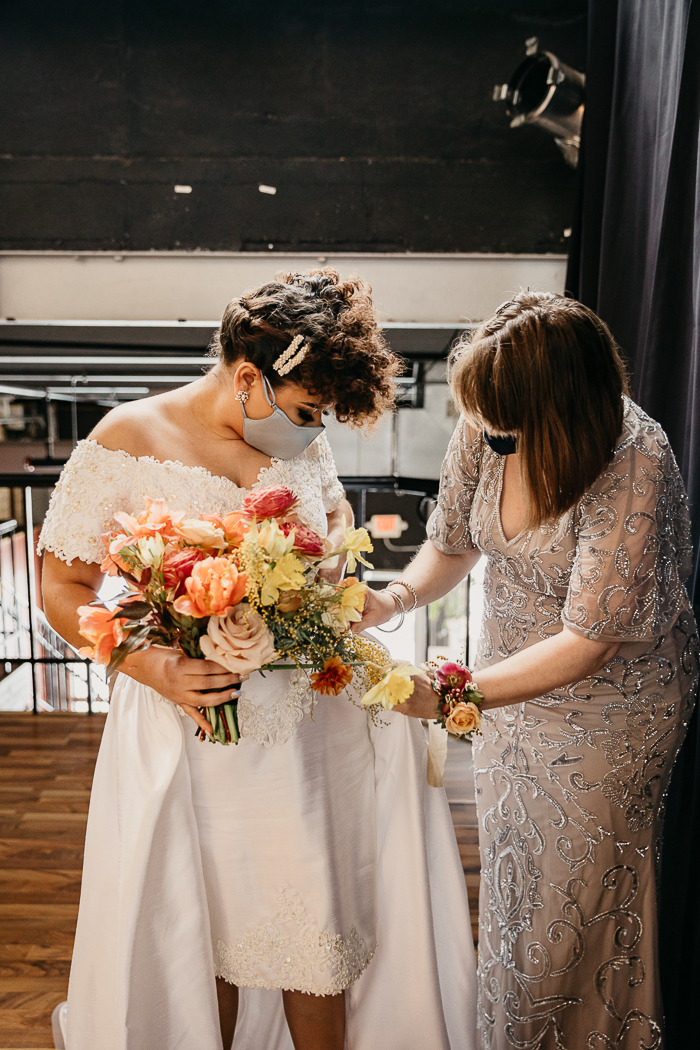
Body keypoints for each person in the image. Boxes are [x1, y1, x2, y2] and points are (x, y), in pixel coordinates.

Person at [40, 269, 476, 1050]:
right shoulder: (124, 438)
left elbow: (333, 529)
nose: (315, 433)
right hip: (192, 726)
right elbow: (62, 587)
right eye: (310, 413)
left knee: (317, 935)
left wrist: (337, 573)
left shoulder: (301, 447)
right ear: (248, 378)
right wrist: (152, 667)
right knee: (200, 933)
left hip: (313, 736)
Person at [358, 292, 698, 1050]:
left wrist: (451, 693)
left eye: (500, 424)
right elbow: (452, 541)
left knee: (575, 903)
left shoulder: (635, 458)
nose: (484, 434)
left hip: (613, 708)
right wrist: (393, 599)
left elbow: (592, 642)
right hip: (506, 694)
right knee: (518, 886)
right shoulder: (492, 420)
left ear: (562, 407)